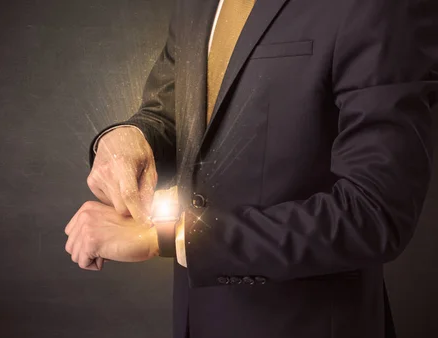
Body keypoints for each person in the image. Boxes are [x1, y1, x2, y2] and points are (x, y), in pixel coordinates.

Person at [64, 0, 437, 337]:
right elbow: (176, 111)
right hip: (196, 320)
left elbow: (375, 213)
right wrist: (132, 135)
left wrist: (165, 237)